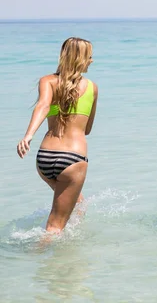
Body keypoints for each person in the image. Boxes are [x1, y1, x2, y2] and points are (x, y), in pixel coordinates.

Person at [16, 37, 98, 234]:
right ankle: (44, 260)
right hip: (73, 160)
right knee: (54, 227)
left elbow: (43, 105)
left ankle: (65, 257)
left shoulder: (48, 81)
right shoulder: (92, 88)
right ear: (81, 58)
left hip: (45, 159)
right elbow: (87, 130)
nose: (92, 61)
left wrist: (28, 136)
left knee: (79, 205)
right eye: (90, 57)